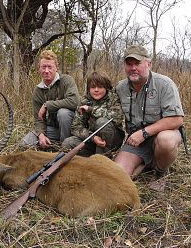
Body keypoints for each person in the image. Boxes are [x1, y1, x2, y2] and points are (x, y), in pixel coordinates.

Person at [114, 45, 184, 178]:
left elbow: (177, 119)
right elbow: (109, 111)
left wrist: (144, 133)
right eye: (129, 64)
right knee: (118, 175)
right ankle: (147, 163)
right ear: (124, 66)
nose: (133, 68)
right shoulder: (120, 88)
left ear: (149, 64)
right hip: (136, 142)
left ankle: (160, 172)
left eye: (137, 63)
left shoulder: (165, 84)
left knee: (166, 140)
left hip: (159, 136)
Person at [20, 50, 80, 148]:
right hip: (53, 129)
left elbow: (74, 102)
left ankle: (65, 147)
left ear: (56, 67)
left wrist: (47, 105)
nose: (46, 71)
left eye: (50, 67)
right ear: (39, 68)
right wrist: (41, 135)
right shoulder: (38, 90)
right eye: (43, 67)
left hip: (72, 129)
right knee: (25, 143)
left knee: (63, 113)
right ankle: (53, 144)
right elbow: (38, 119)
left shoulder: (67, 80)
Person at [62, 71, 125, 157]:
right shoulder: (84, 100)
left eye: (100, 87)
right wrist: (93, 137)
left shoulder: (113, 98)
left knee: (102, 122)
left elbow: (117, 117)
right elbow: (76, 127)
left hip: (112, 140)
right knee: (68, 143)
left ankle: (102, 159)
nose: (96, 90)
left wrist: (91, 110)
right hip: (92, 140)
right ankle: (92, 157)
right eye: (93, 87)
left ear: (106, 87)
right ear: (88, 89)